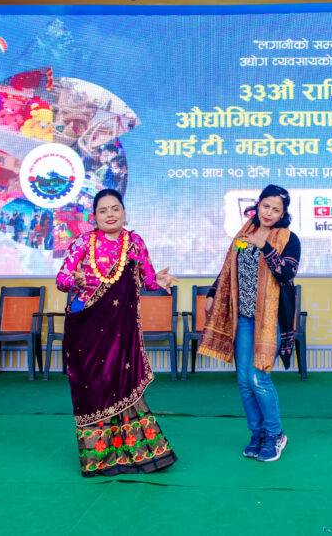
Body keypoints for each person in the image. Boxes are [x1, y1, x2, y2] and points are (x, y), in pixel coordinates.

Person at [55, 188, 178, 477]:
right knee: (94, 387)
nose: (110, 214)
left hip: (120, 332)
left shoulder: (134, 243)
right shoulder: (84, 242)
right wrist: (75, 280)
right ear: (94, 216)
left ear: (124, 212)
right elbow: (61, 279)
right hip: (86, 329)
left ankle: (135, 453)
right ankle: (99, 457)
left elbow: (147, 279)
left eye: (115, 208)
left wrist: (158, 281)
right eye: (103, 210)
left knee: (120, 383)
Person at [199, 184, 300, 462]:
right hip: (244, 318)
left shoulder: (289, 239)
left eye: (276, 209)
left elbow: (286, 273)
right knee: (244, 381)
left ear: (282, 214)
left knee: (259, 378)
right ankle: (257, 435)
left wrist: (264, 246)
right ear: (258, 205)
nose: (269, 213)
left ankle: (275, 434)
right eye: (266, 206)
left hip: (270, 321)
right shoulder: (243, 234)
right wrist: (212, 293)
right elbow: (228, 269)